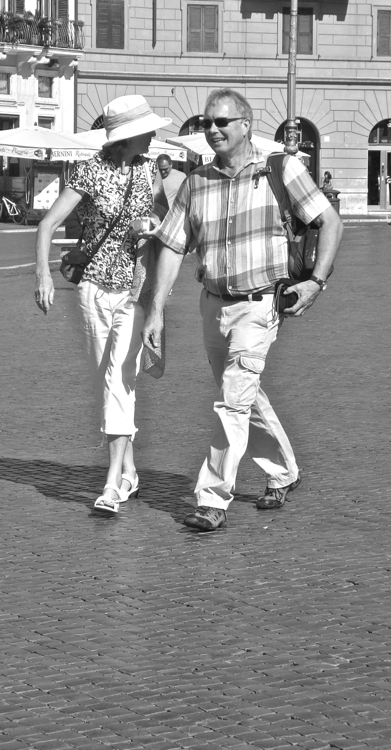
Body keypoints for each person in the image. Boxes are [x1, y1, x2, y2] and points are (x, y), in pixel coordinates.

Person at [142, 89, 343, 532]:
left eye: (221, 123)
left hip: (259, 305)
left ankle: (212, 498)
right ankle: (284, 471)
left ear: (245, 125)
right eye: (206, 123)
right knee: (243, 398)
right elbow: (173, 246)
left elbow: (330, 221)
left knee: (232, 401)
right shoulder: (197, 181)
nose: (212, 130)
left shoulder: (281, 169)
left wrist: (316, 282)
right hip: (212, 305)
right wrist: (155, 310)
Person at [34, 95, 167, 515]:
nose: (152, 134)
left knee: (119, 379)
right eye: (146, 130)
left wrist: (150, 227)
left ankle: (112, 483)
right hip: (92, 288)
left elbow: (165, 218)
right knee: (104, 380)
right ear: (127, 136)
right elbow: (47, 224)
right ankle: (129, 470)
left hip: (134, 289)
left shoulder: (150, 171)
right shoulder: (89, 172)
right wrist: (42, 275)